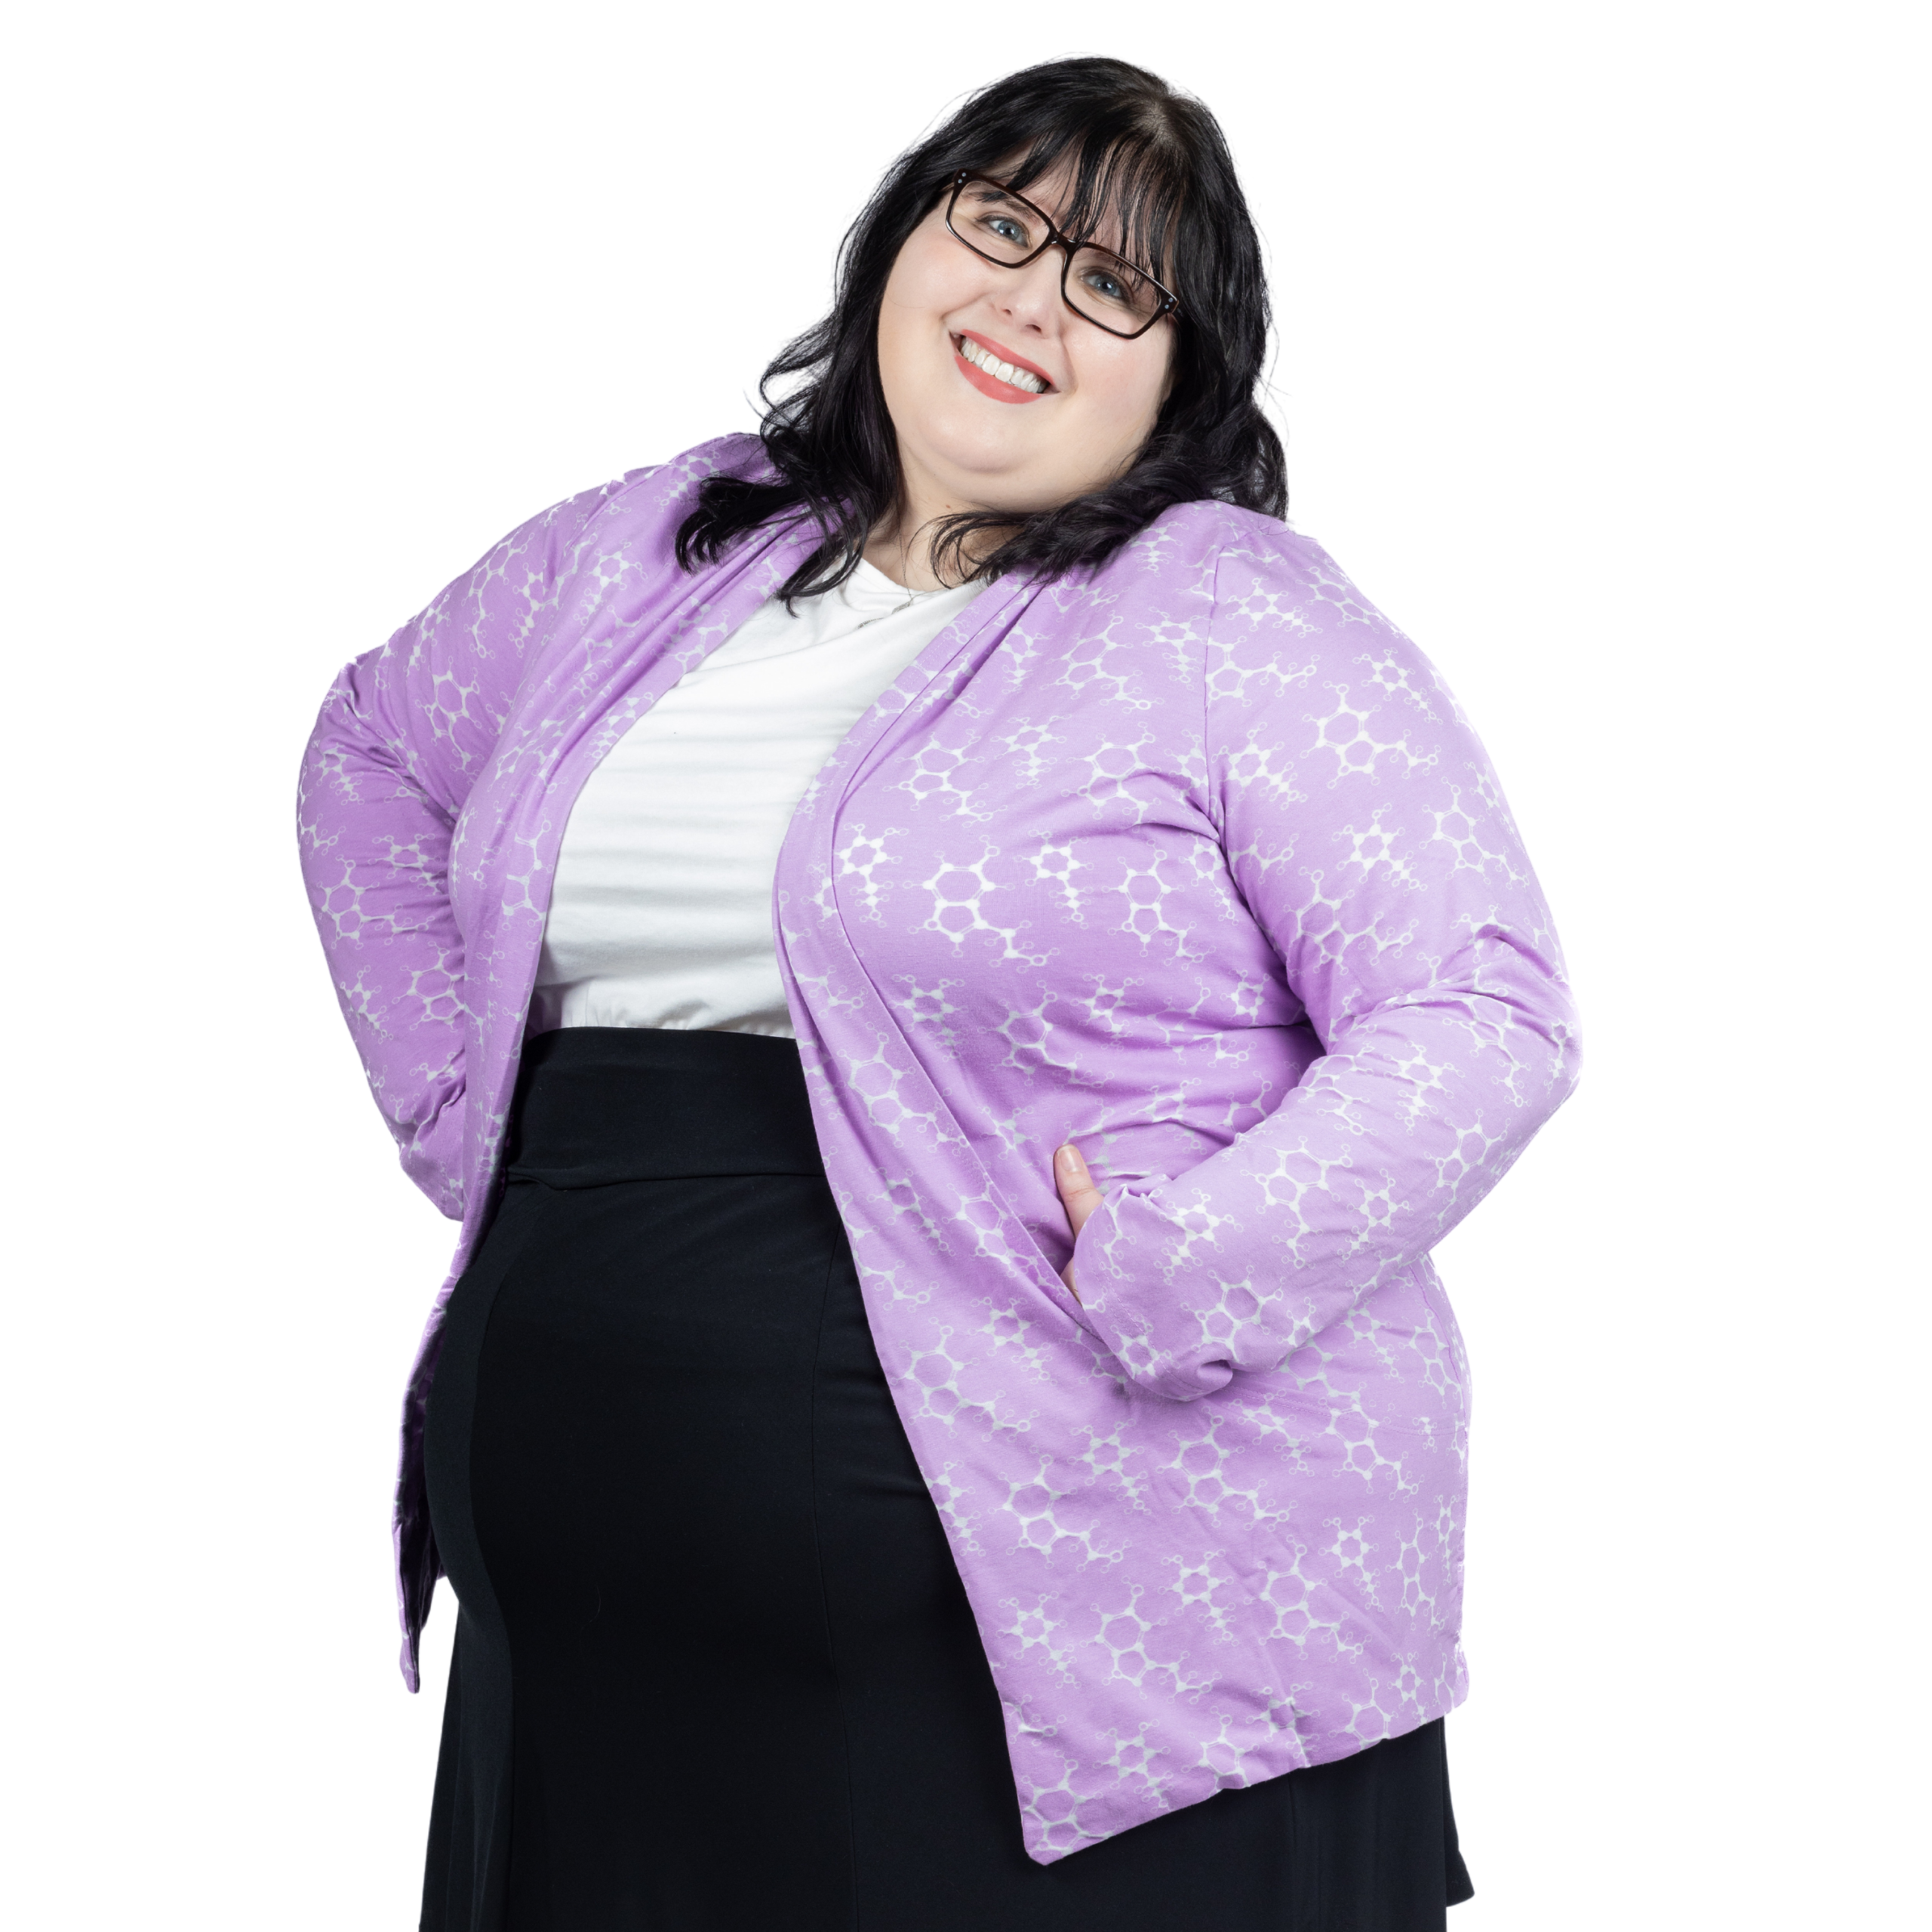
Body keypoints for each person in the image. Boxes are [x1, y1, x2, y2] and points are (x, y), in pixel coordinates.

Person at [299, 54, 1578, 1932]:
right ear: (904, 237)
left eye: (1111, 285)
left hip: (1065, 1608)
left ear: (1177, 380)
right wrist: (454, 1105)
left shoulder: (1232, 616)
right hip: (596, 1608)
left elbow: (1480, 1007)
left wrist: (1181, 1263)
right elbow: (372, 751)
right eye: (1000, 223)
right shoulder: (657, 541)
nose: (1030, 300)